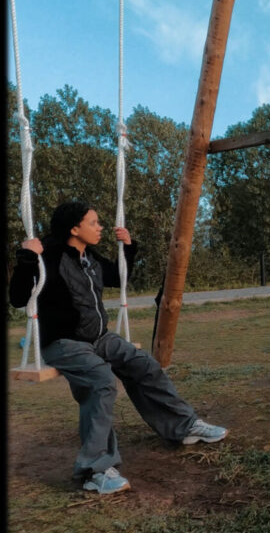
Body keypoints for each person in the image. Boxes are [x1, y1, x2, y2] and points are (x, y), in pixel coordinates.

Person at [9, 201, 228, 495]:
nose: (100, 227)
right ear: (75, 229)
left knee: (144, 365)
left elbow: (116, 278)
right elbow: (18, 298)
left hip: (99, 337)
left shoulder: (89, 256)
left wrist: (128, 248)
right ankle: (94, 470)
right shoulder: (47, 256)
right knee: (101, 381)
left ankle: (183, 427)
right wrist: (25, 257)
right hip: (63, 343)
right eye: (94, 222)